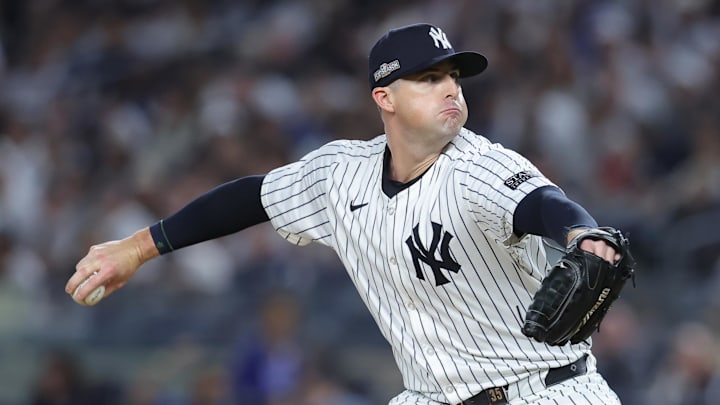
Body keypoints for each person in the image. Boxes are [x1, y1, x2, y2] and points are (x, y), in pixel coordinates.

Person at [67, 23, 624, 404]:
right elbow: (249, 198)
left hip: (545, 389)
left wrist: (580, 233)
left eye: (454, 76)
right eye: (430, 79)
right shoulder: (341, 175)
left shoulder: (478, 167)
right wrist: (137, 247)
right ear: (384, 98)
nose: (451, 89)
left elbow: (545, 205)